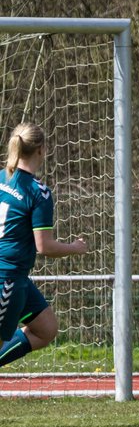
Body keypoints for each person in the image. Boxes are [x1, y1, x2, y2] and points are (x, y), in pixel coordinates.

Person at [0, 123, 89, 367]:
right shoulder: (39, 193)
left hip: (18, 278)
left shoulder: (1, 178)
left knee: (46, 327)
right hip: (7, 278)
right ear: (41, 149)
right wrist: (75, 247)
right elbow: (44, 246)